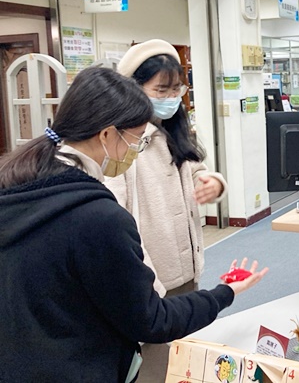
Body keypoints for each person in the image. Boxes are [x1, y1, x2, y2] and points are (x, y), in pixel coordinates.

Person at [0, 67, 268, 382]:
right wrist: (225, 293)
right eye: (136, 140)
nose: (135, 151)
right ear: (106, 134)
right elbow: (151, 320)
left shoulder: (19, 184)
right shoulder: (98, 216)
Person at [105, 39, 229, 381]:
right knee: (156, 364)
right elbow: (115, 217)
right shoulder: (122, 141)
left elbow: (196, 168)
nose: (171, 97)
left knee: (185, 358)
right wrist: (146, 280)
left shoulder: (173, 129)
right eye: (161, 90)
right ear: (134, 89)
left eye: (177, 89)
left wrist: (213, 183)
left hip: (186, 267)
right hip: (152, 276)